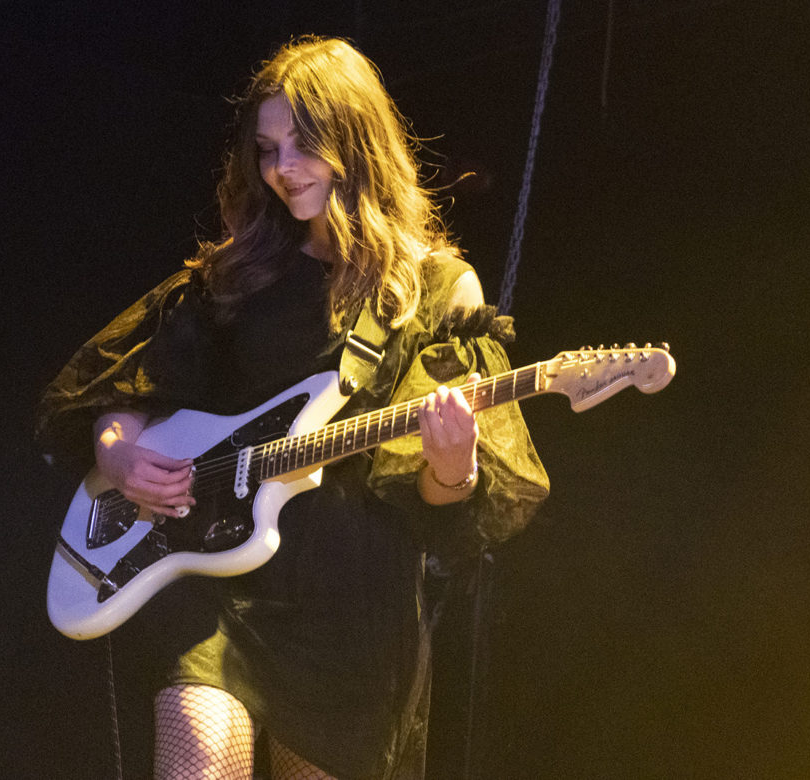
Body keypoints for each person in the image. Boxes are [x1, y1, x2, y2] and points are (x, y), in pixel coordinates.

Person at [36, 36, 549, 780]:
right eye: (268, 149)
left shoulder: (436, 291)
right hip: (218, 588)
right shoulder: (234, 276)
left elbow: (446, 512)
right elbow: (117, 396)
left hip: (351, 616)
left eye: (302, 145)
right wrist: (119, 452)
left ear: (357, 141)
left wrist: (453, 465)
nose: (281, 170)